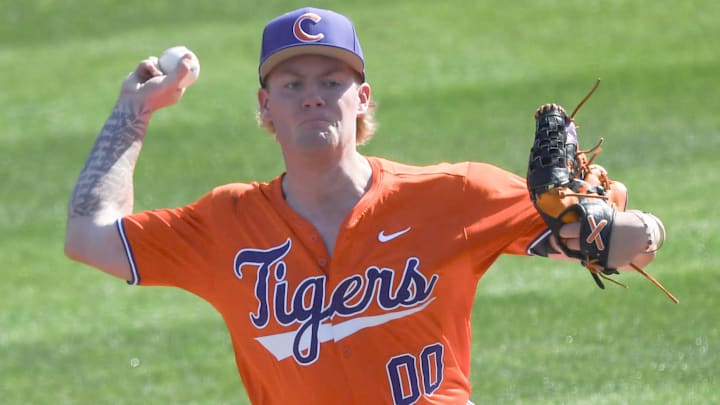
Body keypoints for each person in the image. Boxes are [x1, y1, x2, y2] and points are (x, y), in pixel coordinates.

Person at [65, 7, 665, 404]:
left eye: (331, 81)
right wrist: (133, 111)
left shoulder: (454, 196)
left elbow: (627, 237)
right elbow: (88, 234)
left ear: (362, 99)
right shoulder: (225, 225)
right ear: (265, 106)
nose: (312, 99)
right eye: (291, 84)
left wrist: (634, 227)